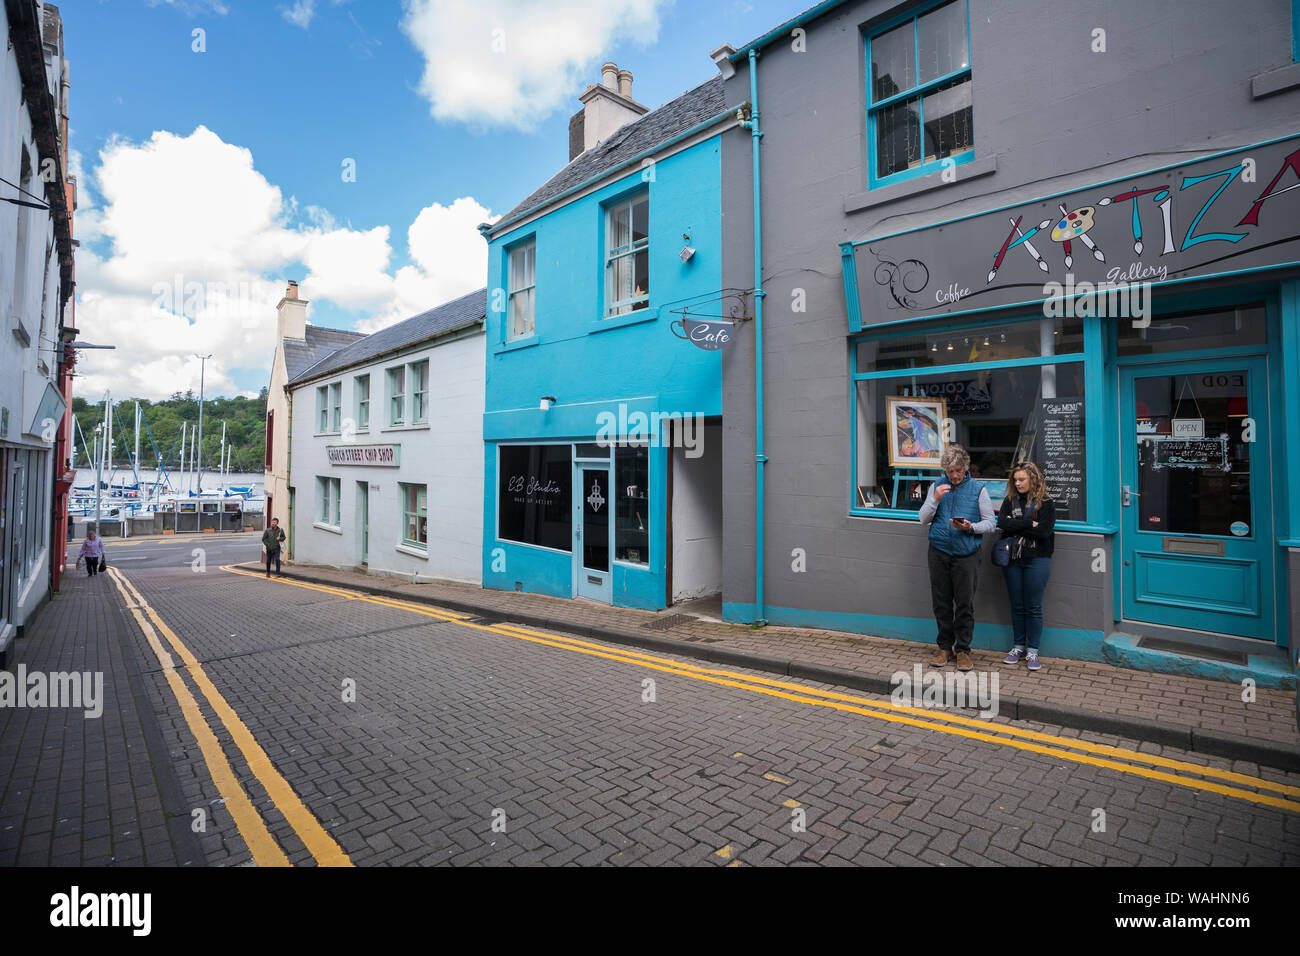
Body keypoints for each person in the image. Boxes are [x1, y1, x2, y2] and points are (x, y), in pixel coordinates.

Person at [918, 444, 996, 671]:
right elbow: (923, 519)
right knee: (941, 602)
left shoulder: (978, 489)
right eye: (950, 471)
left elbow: (991, 523)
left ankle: (963, 650)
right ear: (945, 470)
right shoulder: (937, 486)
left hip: (966, 555)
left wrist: (970, 527)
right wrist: (934, 499)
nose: (954, 475)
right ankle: (944, 647)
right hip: (939, 552)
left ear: (966, 468)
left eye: (958, 470)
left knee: (964, 603)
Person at [997, 462, 1056, 672]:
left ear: (1033, 479)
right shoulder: (1009, 500)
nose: (1017, 483)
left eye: (1022, 479)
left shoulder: (1046, 503)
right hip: (1013, 558)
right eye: (1015, 480)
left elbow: (1044, 532)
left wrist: (1017, 523)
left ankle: (1033, 650)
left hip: (1037, 559)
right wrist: (1027, 524)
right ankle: (1018, 647)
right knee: (1017, 605)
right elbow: (1002, 523)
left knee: (1033, 606)